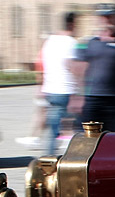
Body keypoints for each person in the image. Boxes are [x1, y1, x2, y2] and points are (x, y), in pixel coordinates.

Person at [77, 5, 115, 133]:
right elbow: (80, 70)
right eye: (104, 17)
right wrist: (77, 98)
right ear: (99, 19)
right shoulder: (90, 43)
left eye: (111, 16)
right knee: (89, 136)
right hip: (92, 97)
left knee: (113, 137)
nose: (108, 20)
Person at [28, 11, 80, 155]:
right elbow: (72, 66)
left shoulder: (49, 41)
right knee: (78, 128)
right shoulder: (71, 42)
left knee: (53, 129)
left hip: (50, 89)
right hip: (66, 90)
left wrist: (40, 85)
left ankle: (49, 159)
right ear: (72, 24)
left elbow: (41, 65)